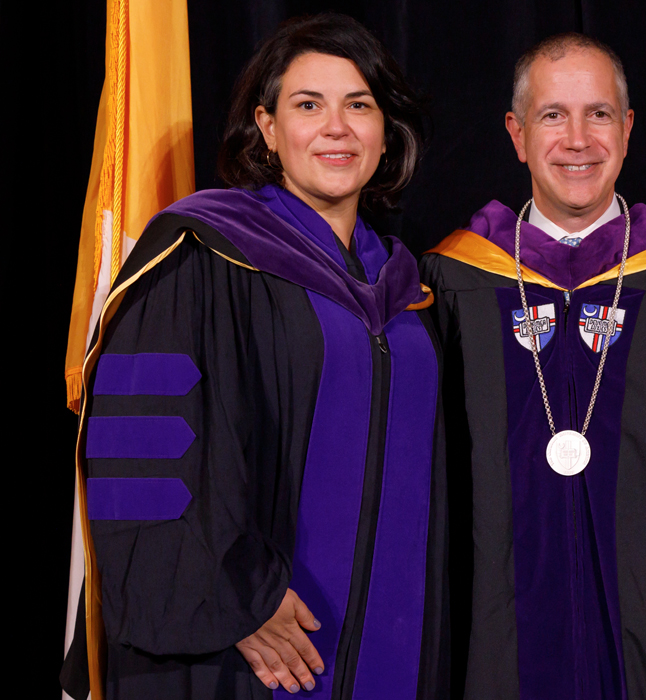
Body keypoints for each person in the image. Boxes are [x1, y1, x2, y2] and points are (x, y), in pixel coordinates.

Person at [63, 14, 448, 700]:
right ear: (267, 129)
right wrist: (238, 596)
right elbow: (141, 455)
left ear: (385, 131)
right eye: (308, 105)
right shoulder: (200, 255)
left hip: (386, 649)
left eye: (358, 105)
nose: (336, 127)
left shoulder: (406, 284)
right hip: (240, 655)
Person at [421, 33, 646, 700]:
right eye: (552, 115)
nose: (577, 139)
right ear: (517, 133)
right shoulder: (456, 279)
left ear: (626, 130)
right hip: (501, 630)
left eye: (598, 114)